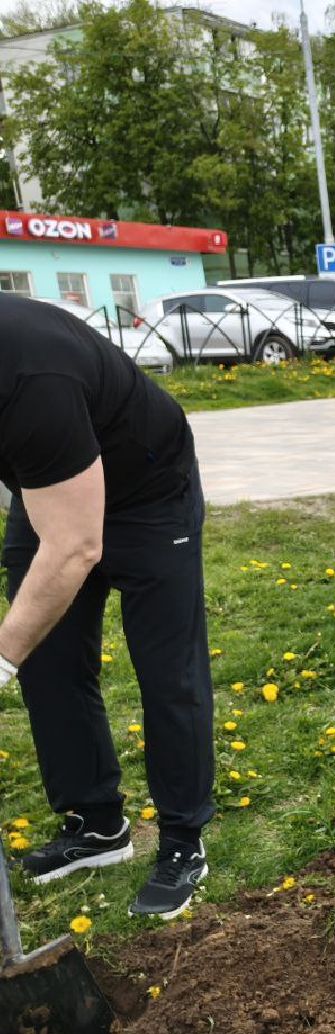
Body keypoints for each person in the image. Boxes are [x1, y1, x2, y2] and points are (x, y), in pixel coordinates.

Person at [0, 296, 214, 918]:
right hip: (55, 485)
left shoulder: (29, 375)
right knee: (47, 657)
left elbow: (75, 546)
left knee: (167, 670)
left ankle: (182, 841)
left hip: (148, 488)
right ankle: (97, 827)